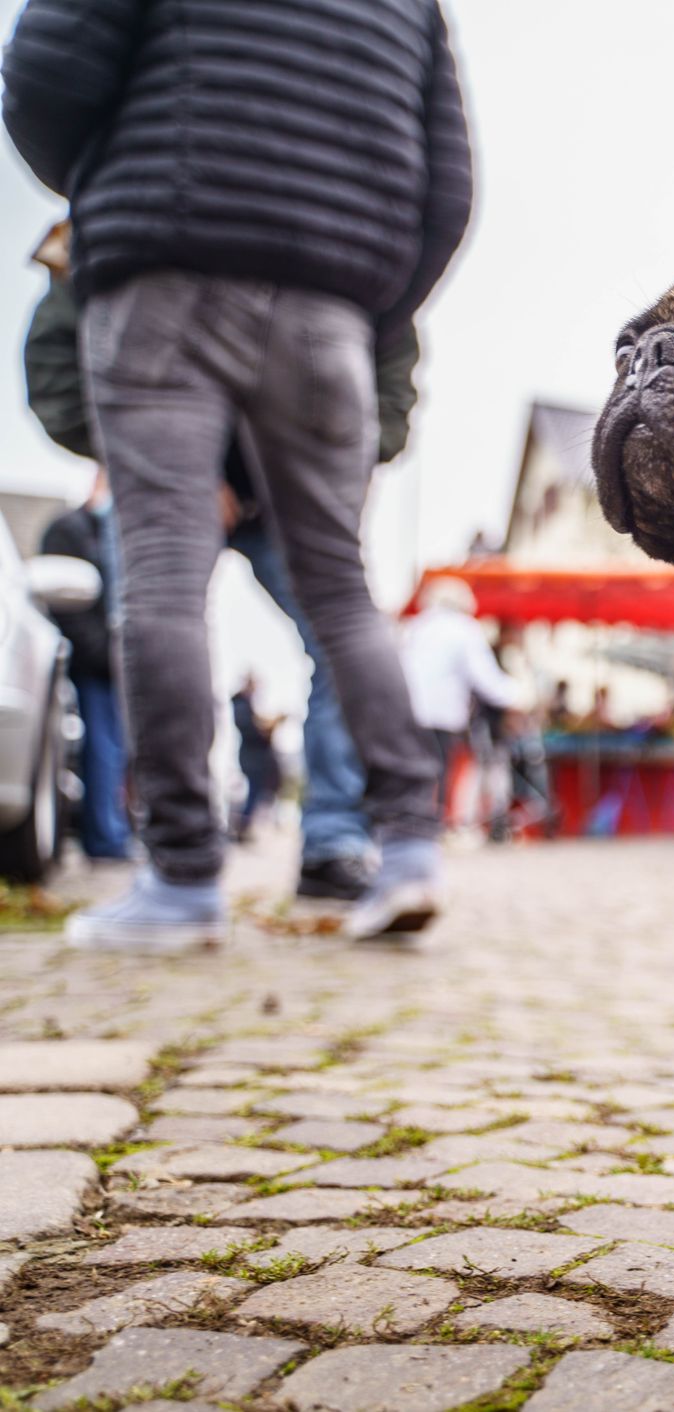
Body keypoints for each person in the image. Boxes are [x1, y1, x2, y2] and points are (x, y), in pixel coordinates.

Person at [4, 0, 473, 948]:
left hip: (163, 270)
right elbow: (450, 188)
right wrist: (369, 295)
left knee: (162, 585)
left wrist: (111, 189)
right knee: (343, 594)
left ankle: (181, 879)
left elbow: (45, 75)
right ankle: (411, 846)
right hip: (330, 300)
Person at [38, 478, 127, 862]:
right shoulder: (70, 529)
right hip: (88, 666)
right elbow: (68, 611)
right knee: (102, 751)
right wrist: (107, 655)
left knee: (116, 752)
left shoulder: (111, 533)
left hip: (113, 668)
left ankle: (114, 834)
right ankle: (105, 839)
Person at [401, 578, 524, 819]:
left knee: (414, 772)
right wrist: (519, 695)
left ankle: (413, 824)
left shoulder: (414, 627)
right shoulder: (464, 629)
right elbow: (486, 679)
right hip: (441, 715)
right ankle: (433, 826)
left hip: (407, 713)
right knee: (439, 771)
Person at [229, 678, 280, 841]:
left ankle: (243, 825)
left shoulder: (246, 705)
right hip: (252, 758)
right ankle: (242, 825)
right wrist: (266, 731)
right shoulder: (242, 704)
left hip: (254, 757)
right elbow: (249, 730)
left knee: (254, 792)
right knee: (252, 792)